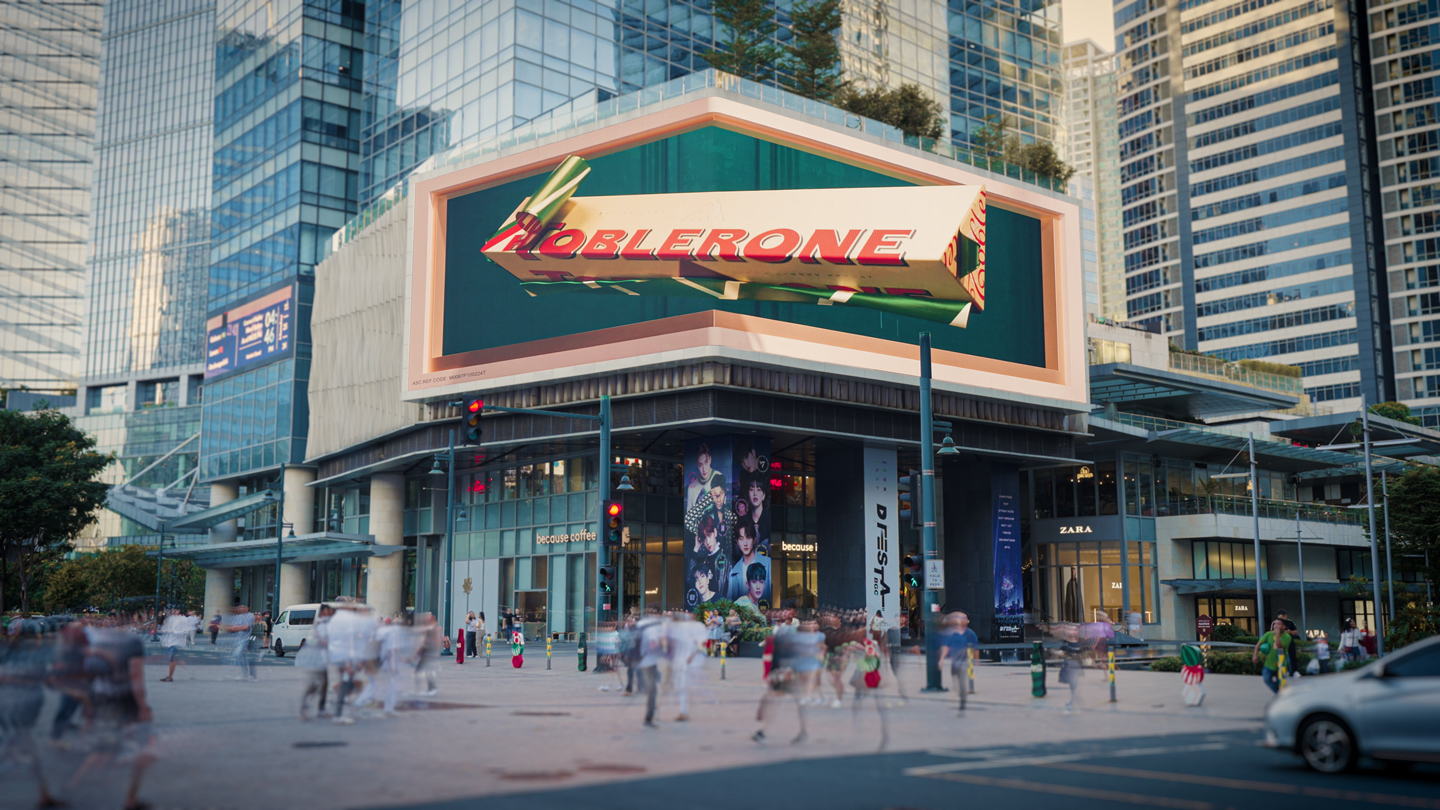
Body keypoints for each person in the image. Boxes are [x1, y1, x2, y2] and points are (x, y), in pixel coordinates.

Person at [666, 611, 709, 722]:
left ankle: (684, 711)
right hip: (683, 662)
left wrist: (692, 656)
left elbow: (702, 645)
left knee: (684, 687)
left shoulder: (697, 629)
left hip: (691, 663)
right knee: (682, 687)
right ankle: (683, 711)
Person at [297, 604, 333, 720]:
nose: (330, 613)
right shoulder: (320, 624)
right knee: (316, 684)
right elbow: (320, 641)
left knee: (324, 684)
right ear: (323, 612)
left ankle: (320, 709)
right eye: (328, 611)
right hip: (316, 659)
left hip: (323, 658)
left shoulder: (325, 624)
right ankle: (304, 708)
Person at [937, 612, 979, 711]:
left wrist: (976, 660)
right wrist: (941, 659)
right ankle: (960, 691)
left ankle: (965, 695)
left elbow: (975, 648)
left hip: (965, 661)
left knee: (963, 678)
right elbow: (947, 647)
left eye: (964, 618)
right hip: (955, 661)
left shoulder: (970, 633)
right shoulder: (952, 633)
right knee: (954, 675)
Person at [634, 608, 668, 728]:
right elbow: (653, 645)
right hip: (648, 661)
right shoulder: (653, 629)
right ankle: (649, 716)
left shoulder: (640, 625)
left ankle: (642, 688)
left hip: (639, 660)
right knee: (653, 689)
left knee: (654, 684)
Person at [726, 522, 770, 602]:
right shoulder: (733, 573)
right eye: (741, 539)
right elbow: (730, 606)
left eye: (748, 537)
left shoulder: (768, 564)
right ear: (737, 542)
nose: (745, 543)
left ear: (754, 540)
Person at [1252, 618, 1293, 694]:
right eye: (1275, 624)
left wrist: (1277, 635)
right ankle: (1279, 694)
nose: (1276, 626)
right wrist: (1255, 655)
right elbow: (1258, 644)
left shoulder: (1287, 637)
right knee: (1267, 679)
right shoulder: (1268, 634)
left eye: (1278, 624)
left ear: (1284, 627)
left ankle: (1281, 694)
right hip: (1269, 664)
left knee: (1281, 684)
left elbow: (1279, 646)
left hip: (1280, 665)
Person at [221, 604, 257, 680]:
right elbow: (231, 627)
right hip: (238, 639)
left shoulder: (250, 616)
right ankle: (246, 675)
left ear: (247, 608)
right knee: (241, 657)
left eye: (243, 607)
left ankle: (247, 675)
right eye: (240, 607)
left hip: (247, 638)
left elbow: (245, 627)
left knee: (238, 654)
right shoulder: (238, 616)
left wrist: (234, 628)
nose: (241, 609)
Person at [158, 609, 191, 682]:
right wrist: (163, 631)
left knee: (172, 658)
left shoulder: (183, 619)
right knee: (172, 659)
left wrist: (173, 632)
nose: (172, 612)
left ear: (179, 611)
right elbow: (167, 629)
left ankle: (170, 676)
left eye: (174, 611)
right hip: (170, 642)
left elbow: (185, 631)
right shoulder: (171, 619)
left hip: (176, 642)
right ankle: (174, 674)